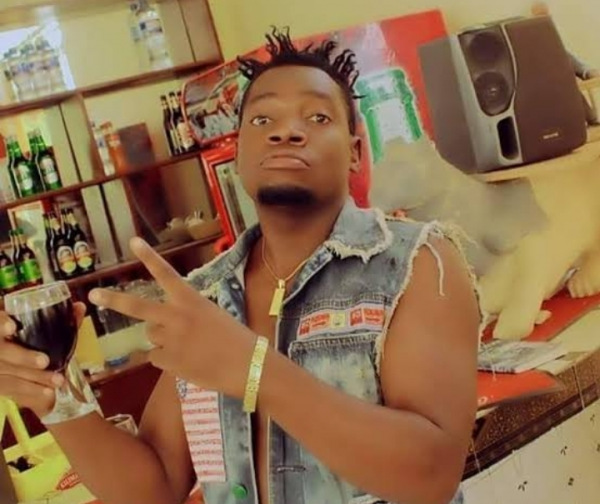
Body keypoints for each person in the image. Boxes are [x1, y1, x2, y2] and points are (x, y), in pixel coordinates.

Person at [0, 29, 480, 504]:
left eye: (317, 117)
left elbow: (432, 476)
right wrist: (54, 395)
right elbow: (155, 486)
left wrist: (251, 369)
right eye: (262, 118)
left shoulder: (416, 261)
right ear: (239, 153)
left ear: (355, 151)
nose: (286, 131)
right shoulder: (204, 298)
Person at [531, 1, 600, 125]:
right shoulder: (529, 45)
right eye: (540, 16)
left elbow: (570, 59)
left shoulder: (553, 44)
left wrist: (588, 71)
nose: (545, 19)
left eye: (546, 15)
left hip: (567, 95)